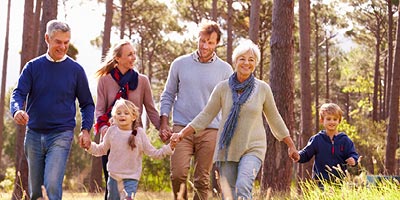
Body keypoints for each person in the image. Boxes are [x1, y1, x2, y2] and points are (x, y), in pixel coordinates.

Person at [170, 39, 299, 200]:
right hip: (227, 148)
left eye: (251, 60)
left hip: (253, 147)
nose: (246, 63)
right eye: (242, 59)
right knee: (229, 195)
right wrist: (181, 134)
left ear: (256, 63)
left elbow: (275, 118)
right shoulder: (223, 88)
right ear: (235, 61)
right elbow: (205, 116)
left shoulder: (262, 89)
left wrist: (290, 145)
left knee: (243, 185)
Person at [10, 19, 94, 200]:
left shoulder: (76, 70)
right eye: (58, 42)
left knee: (52, 185)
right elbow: (18, 93)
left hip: (61, 134)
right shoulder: (33, 67)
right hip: (33, 135)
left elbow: (87, 103)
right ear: (47, 38)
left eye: (66, 42)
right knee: (36, 193)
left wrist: (86, 129)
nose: (63, 47)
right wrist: (17, 110)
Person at [159, 19, 233, 200]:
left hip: (211, 130)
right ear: (198, 38)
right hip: (181, 128)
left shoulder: (225, 70)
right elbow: (168, 94)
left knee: (201, 179)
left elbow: (230, 104)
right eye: (202, 40)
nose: (205, 45)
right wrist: (163, 122)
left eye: (210, 42)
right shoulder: (180, 64)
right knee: (178, 174)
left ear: (217, 44)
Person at [94, 39, 161, 199]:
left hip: (133, 139)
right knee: (112, 190)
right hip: (112, 138)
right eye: (129, 54)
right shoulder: (104, 80)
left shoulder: (142, 81)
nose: (133, 57)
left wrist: (162, 129)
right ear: (118, 58)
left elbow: (151, 109)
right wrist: (104, 130)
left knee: (129, 190)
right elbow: (100, 110)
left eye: (134, 54)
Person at [83, 98, 174, 200]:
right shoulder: (111, 131)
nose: (122, 115)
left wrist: (169, 147)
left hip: (131, 178)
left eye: (126, 113)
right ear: (114, 116)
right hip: (113, 177)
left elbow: (154, 153)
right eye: (119, 113)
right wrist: (89, 146)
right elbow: (101, 149)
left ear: (134, 116)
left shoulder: (139, 134)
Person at [295, 103, 359, 184]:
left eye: (335, 119)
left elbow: (353, 153)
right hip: (321, 181)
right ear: (322, 120)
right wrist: (298, 156)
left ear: (339, 121)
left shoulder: (345, 140)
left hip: (339, 181)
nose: (332, 122)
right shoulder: (317, 139)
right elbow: (306, 153)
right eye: (328, 119)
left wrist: (353, 159)